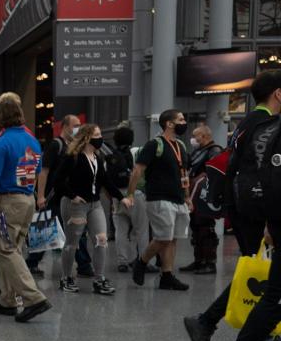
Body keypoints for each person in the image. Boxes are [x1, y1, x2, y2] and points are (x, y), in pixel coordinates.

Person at [185, 70, 281, 341]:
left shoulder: (246, 123)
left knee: (256, 266)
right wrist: (269, 218)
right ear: (278, 94)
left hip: (242, 204)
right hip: (255, 206)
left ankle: (222, 324)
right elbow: (264, 172)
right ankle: (207, 321)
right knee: (257, 270)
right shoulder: (266, 124)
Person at [0, 93, 50, 322]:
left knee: (5, 248)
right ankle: (7, 299)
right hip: (27, 200)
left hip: (8, 202)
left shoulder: (1, 143)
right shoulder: (32, 140)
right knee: (14, 248)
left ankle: (34, 298)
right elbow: (38, 170)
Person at [51, 123, 125, 295]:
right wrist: (72, 196)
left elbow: (105, 181)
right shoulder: (72, 157)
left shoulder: (98, 158)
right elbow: (58, 180)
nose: (100, 138)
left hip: (95, 204)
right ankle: (66, 277)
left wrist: (121, 198)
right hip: (75, 205)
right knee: (72, 243)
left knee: (101, 240)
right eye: (97, 135)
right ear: (86, 138)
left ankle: (99, 279)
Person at [124, 109, 192, 291]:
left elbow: (183, 173)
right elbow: (137, 170)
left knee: (173, 238)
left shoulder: (181, 146)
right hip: (159, 198)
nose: (184, 123)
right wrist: (130, 194)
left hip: (178, 199)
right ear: (169, 124)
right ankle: (142, 261)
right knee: (163, 238)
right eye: (180, 119)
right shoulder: (154, 145)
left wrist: (187, 196)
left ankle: (167, 276)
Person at [31, 113, 94, 278]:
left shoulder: (74, 147)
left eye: (79, 125)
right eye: (75, 125)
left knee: (74, 229)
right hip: (54, 195)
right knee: (46, 229)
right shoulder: (55, 145)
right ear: (65, 127)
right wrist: (41, 195)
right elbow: (44, 172)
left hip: (69, 196)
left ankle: (84, 264)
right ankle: (31, 262)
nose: (77, 128)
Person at [179, 124, 223, 274]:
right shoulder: (199, 151)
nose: (193, 138)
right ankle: (199, 260)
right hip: (194, 193)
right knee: (196, 227)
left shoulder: (214, 150)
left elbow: (215, 173)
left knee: (205, 228)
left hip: (204, 195)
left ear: (204, 136)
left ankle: (210, 263)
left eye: (195, 135)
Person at [106, 123, 149, 273]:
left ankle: (122, 262)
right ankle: (141, 260)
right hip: (135, 193)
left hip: (117, 196)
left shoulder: (110, 156)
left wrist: (113, 198)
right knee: (141, 230)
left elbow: (107, 182)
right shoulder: (136, 152)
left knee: (120, 231)